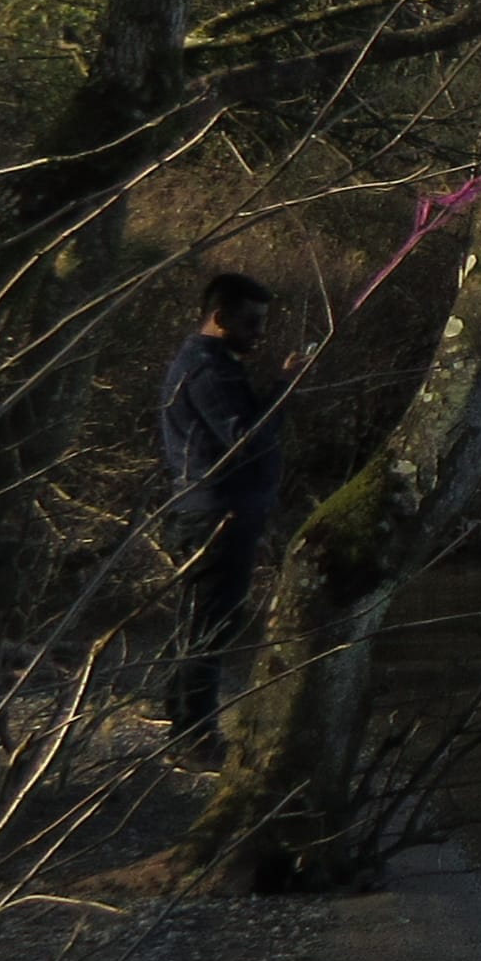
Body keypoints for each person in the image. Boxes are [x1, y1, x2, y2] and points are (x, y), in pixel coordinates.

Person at [157, 271, 284, 749]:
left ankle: (183, 721)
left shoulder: (210, 363)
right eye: (251, 322)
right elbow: (246, 440)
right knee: (211, 625)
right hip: (215, 515)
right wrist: (285, 390)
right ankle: (194, 738)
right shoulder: (207, 369)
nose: (259, 333)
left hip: (214, 511)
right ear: (220, 317)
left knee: (203, 621)